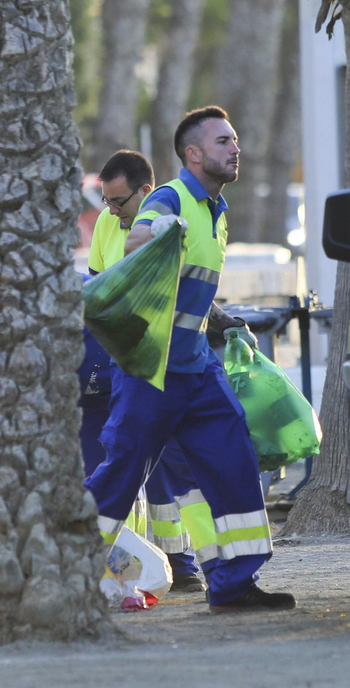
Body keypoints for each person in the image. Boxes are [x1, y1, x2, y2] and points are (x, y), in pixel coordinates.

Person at [86, 107, 295, 612]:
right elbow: (139, 237)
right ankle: (64, 568)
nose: (235, 148)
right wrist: (158, 233)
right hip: (151, 372)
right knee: (121, 473)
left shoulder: (215, 214)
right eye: (224, 141)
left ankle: (233, 584)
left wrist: (224, 325)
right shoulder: (170, 198)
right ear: (194, 154)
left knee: (235, 463)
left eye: (235, 140)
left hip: (196, 367)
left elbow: (197, 295)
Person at [83, 149, 210, 594]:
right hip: (123, 362)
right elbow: (98, 288)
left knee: (174, 469)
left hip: (171, 362)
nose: (112, 212)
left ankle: (189, 562)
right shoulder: (106, 223)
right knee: (124, 460)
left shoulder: (170, 226)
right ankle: (125, 561)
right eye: (106, 201)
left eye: (119, 202)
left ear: (146, 192)